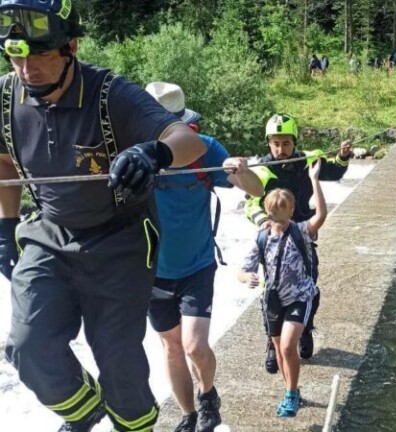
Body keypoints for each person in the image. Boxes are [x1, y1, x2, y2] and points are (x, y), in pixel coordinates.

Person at [0, 1, 207, 431]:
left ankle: (132, 424)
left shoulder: (110, 93)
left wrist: (154, 152)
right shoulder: (5, 97)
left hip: (121, 240)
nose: (26, 68)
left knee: (119, 365)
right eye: (16, 55)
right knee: (27, 345)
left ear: (71, 47)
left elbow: (188, 140)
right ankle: (86, 412)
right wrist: (5, 227)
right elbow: (3, 162)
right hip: (49, 234)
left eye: (40, 55)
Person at [145, 82, 264, 432]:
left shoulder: (204, 149)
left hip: (197, 264)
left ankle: (208, 394)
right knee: (171, 348)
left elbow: (258, 190)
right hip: (152, 270)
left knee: (194, 346)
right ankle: (188, 414)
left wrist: (239, 171)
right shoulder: (132, 154)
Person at [243, 114, 351, 374]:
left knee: (309, 287)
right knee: (272, 292)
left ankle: (305, 328)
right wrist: (263, 223)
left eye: (286, 144)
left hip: (302, 234)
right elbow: (249, 204)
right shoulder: (261, 170)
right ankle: (273, 343)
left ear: (294, 142)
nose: (281, 150)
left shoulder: (308, 159)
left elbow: (333, 170)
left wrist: (344, 156)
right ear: (269, 144)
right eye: (275, 144)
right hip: (274, 239)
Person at [241, 160, 325, 417]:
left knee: (288, 346)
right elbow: (243, 269)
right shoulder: (262, 237)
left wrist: (314, 179)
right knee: (278, 348)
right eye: (274, 208)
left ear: (291, 210)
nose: (279, 211)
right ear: (267, 211)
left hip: (300, 296)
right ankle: (291, 390)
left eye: (284, 207)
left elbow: (320, 215)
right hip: (273, 299)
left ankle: (291, 393)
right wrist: (248, 277)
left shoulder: (301, 231)